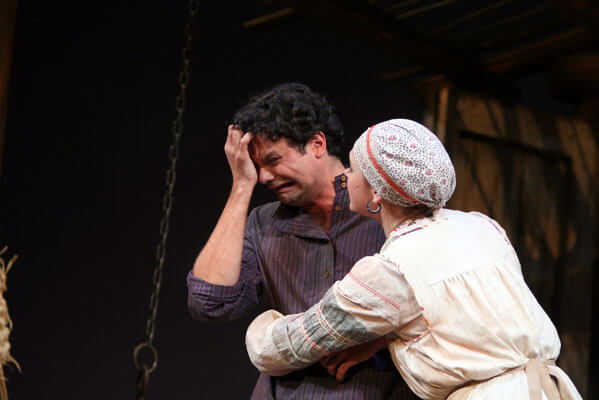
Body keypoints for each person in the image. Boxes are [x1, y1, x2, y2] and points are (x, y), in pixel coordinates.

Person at [245, 118, 582, 399]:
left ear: (377, 191)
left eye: (353, 168)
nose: (345, 175)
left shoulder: (388, 271)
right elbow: (464, 322)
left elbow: (285, 346)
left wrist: (262, 327)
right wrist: (387, 337)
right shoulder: (481, 226)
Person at [187, 84, 415, 399]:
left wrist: (384, 338)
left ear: (317, 144)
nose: (264, 177)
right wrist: (241, 186)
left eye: (273, 160)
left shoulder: (386, 208)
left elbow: (441, 302)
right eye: (257, 167)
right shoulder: (263, 223)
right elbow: (209, 303)